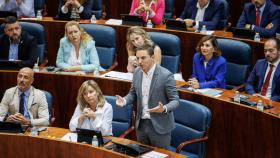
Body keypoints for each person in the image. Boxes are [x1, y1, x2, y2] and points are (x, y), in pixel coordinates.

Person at [116, 44, 179, 149]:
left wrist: (164, 108)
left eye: (143, 58)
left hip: (160, 126)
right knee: (142, 154)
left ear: (152, 57)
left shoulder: (166, 75)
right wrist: (125, 100)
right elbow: (133, 93)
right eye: (138, 58)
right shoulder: (137, 72)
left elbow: (175, 100)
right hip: (141, 124)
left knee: (160, 156)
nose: (139, 62)